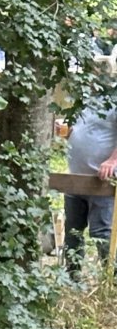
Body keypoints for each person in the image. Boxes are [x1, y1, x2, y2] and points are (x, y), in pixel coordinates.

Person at [62, 102, 117, 274]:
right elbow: (81, 130)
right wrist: (67, 132)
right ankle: (72, 278)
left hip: (102, 182)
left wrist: (113, 160)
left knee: (101, 233)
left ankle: (111, 281)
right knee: (72, 231)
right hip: (75, 179)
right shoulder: (84, 96)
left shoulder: (113, 99)